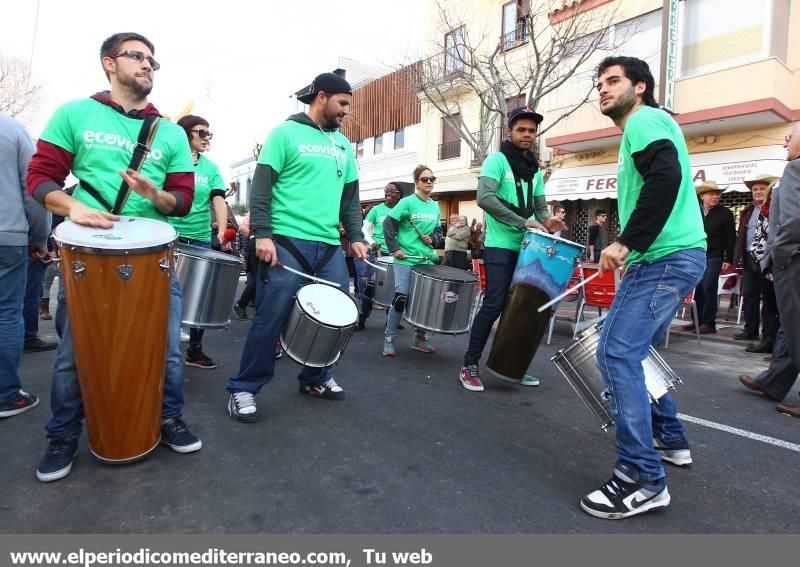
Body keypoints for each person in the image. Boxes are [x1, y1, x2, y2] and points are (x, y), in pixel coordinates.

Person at [26, 32, 201, 482]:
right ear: (109, 63)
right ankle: (63, 433)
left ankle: (167, 417)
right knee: (75, 352)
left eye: (152, 61)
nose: (147, 65)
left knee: (167, 351)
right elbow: (40, 178)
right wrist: (74, 207)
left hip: (155, 255)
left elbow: (181, 200)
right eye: (137, 57)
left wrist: (156, 194)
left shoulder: (169, 132)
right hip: (87, 250)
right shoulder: (75, 113)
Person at [580, 56, 707, 520]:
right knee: (634, 353)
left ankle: (641, 477)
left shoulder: (646, 118)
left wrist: (628, 241)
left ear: (641, 85)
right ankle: (670, 438)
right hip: (670, 258)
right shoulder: (646, 125)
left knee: (614, 352)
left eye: (613, 81)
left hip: (663, 260)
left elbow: (666, 176)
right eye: (600, 84)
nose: (603, 90)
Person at [226, 72, 367, 423]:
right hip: (287, 240)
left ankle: (315, 377)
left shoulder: (343, 145)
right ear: (322, 96)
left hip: (330, 245)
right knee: (270, 315)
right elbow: (261, 188)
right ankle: (244, 387)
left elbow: (350, 198)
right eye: (343, 103)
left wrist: (357, 236)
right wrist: (262, 234)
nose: (346, 111)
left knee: (336, 317)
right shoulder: (285, 133)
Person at [457, 107, 564, 392]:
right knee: (493, 305)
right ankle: (469, 365)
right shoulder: (497, 161)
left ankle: (511, 367)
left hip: (530, 248)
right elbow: (485, 198)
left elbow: (540, 207)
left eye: (531, 130)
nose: (527, 135)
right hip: (501, 246)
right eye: (522, 130)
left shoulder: (535, 169)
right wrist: (522, 222)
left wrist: (548, 220)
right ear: (510, 132)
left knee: (522, 311)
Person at [169, 114, 229, 369]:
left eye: (209, 133)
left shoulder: (210, 168)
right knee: (166, 296)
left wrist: (222, 231)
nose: (207, 138)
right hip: (169, 236)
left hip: (200, 238)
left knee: (199, 295)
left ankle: (194, 350)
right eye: (201, 132)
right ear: (185, 134)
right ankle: (162, 347)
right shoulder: (170, 162)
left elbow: (218, 200)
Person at [0, 113, 49, 419]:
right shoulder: (13, 130)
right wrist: (40, 238)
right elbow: (34, 190)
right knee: (6, 313)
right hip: (7, 234)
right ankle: (5, 394)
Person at [758, 122, 800, 417]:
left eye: (789, 138)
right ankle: (774, 381)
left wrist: (777, 255)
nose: (786, 144)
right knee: (790, 325)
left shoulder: (796, 169)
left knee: (795, 325)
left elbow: (793, 219)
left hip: (792, 259)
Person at [381, 165, 443, 357]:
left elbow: (439, 231)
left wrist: (432, 239)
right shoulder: (407, 202)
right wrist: (395, 249)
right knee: (402, 297)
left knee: (425, 300)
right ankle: (389, 338)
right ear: (417, 182)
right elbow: (388, 224)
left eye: (432, 179)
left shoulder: (434, 206)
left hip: (426, 259)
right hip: (406, 259)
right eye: (425, 179)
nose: (429, 182)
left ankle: (419, 338)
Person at [682, 180, 735, 334]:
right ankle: (696, 321)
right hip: (696, 254)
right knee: (697, 288)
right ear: (702, 195)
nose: (715, 197)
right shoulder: (694, 212)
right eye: (711, 193)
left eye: (717, 194)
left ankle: (709, 323)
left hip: (715, 255)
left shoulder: (725, 213)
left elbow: (731, 238)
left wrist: (728, 258)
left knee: (708, 287)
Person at [733, 174, 778, 342]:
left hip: (768, 259)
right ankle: (750, 330)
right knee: (750, 295)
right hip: (749, 257)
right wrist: (737, 256)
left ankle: (769, 336)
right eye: (755, 189)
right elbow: (741, 235)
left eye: (762, 188)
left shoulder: (774, 207)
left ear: (769, 190)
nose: (758, 192)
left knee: (769, 299)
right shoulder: (748, 210)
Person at [357, 182, 401, 330]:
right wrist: (372, 242)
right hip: (377, 253)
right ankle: (362, 319)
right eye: (386, 190)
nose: (388, 193)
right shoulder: (376, 210)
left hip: (395, 254)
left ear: (399, 195)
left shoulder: (402, 210)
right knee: (369, 285)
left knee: (395, 288)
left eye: (392, 191)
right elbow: (364, 229)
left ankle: (391, 320)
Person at [744, 177, 780, 354]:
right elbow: (758, 237)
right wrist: (758, 258)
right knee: (768, 304)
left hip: (783, 264)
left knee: (782, 307)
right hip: (766, 265)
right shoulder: (764, 212)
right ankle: (768, 340)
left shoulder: (788, 211)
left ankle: (781, 347)